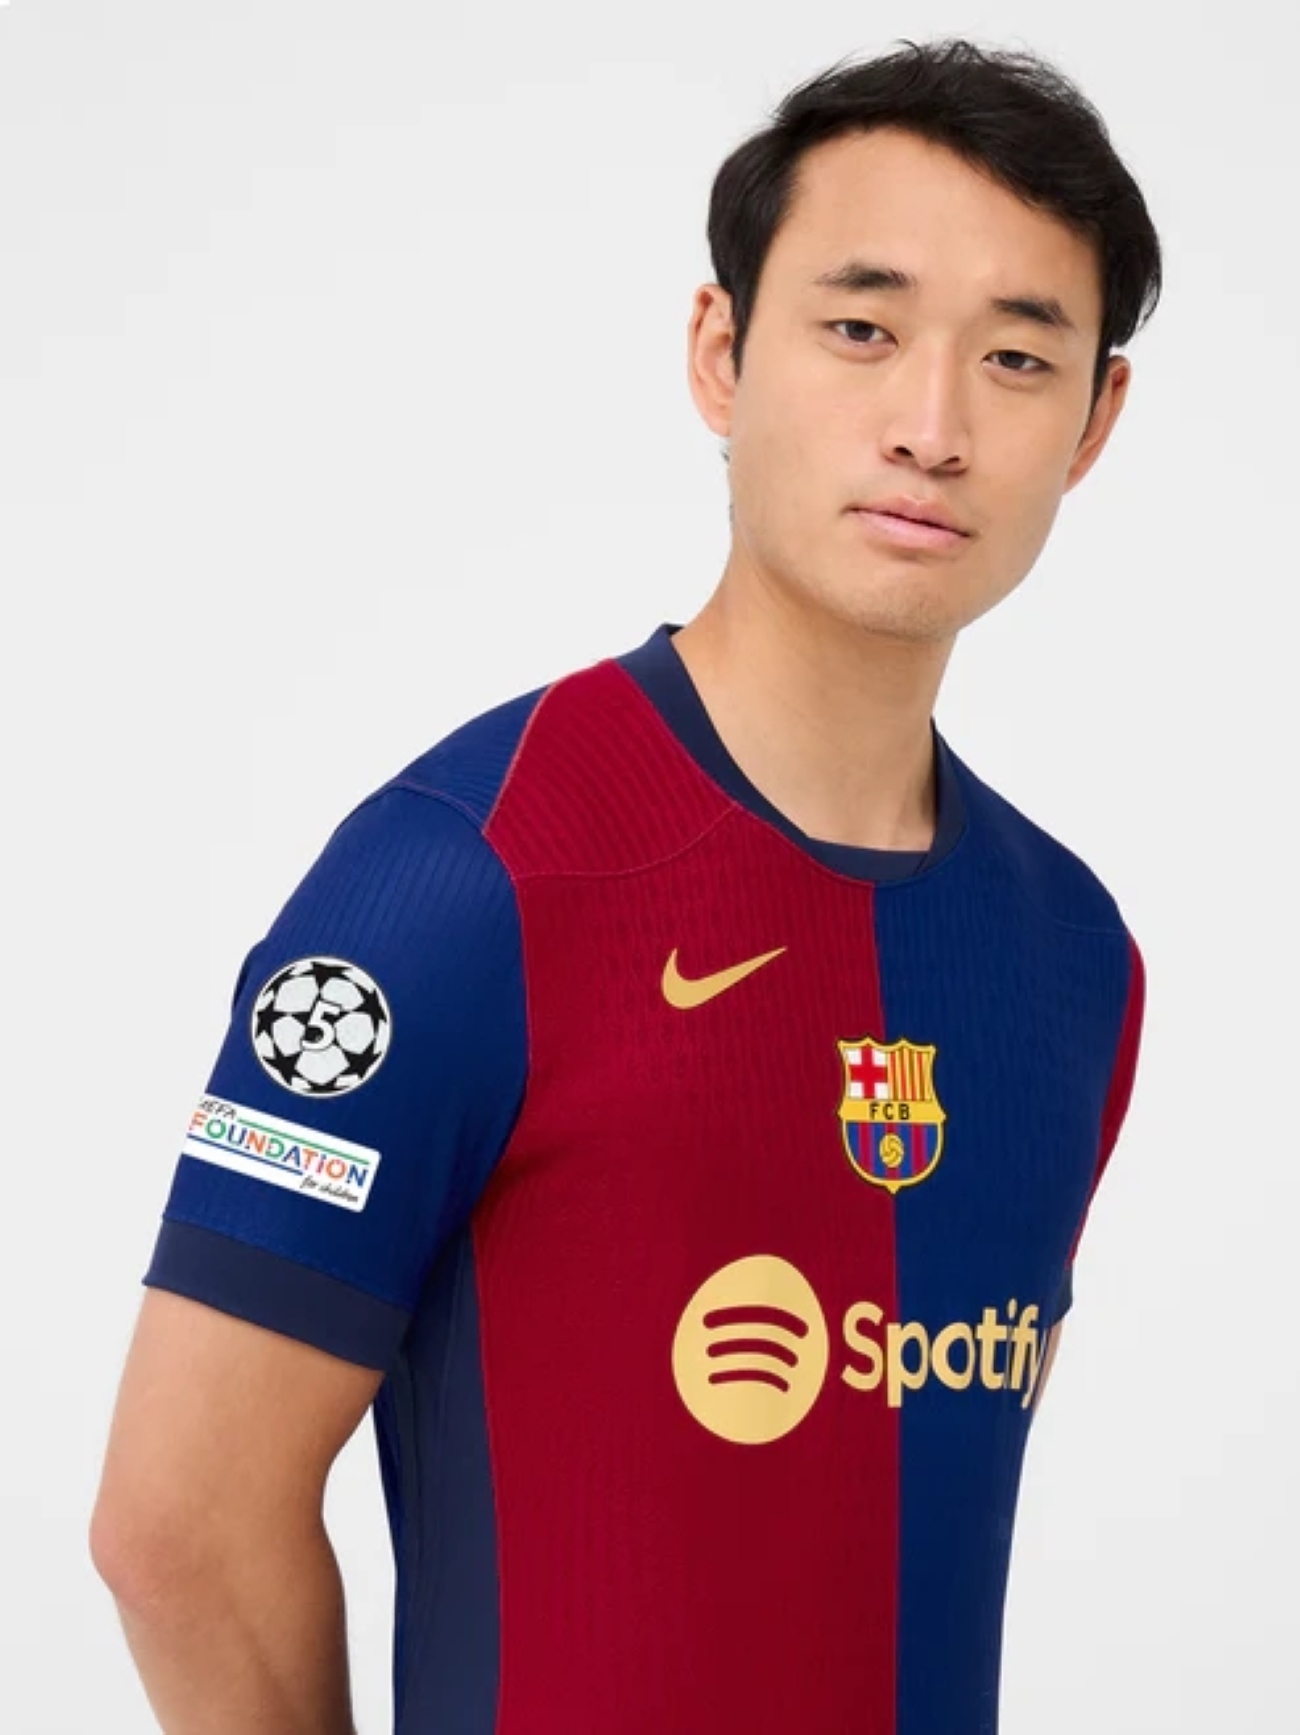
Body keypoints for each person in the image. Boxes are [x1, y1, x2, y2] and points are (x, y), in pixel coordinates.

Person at [90, 35, 1160, 1735]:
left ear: (1094, 422)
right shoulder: (466, 878)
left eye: (1018, 358)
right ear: (722, 355)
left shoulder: (1072, 954)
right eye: (862, 330)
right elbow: (177, 1531)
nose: (933, 427)